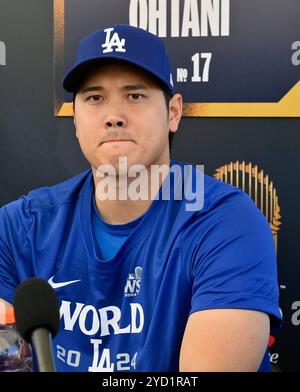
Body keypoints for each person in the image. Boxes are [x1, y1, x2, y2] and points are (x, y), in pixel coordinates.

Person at [0, 24, 281, 372]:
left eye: (135, 95)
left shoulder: (225, 223)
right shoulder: (19, 227)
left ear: (174, 113)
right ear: (75, 118)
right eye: (94, 98)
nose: (114, 116)